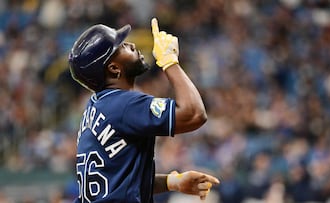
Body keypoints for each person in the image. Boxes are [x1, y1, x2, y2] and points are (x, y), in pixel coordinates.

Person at [68, 18, 220, 203]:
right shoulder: (124, 104)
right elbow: (194, 114)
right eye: (122, 46)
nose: (131, 45)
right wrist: (169, 61)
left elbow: (120, 181)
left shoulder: (96, 106)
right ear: (114, 68)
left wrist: (173, 182)